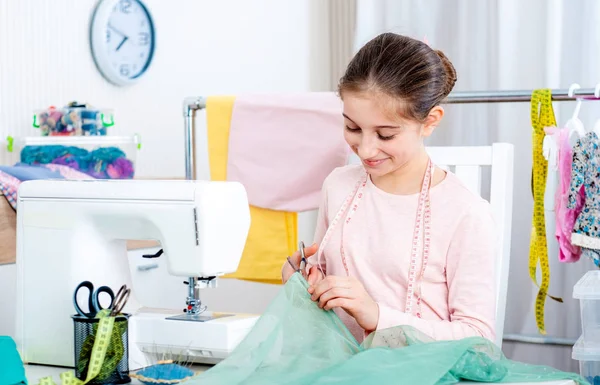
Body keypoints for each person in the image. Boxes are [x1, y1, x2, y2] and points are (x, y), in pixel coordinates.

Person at [281, 32, 497, 344]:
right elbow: (321, 290)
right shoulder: (337, 186)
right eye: (352, 128)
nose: (366, 149)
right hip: (343, 370)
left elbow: (480, 340)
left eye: (385, 135)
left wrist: (377, 315)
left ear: (430, 121)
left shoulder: (465, 213)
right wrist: (302, 284)